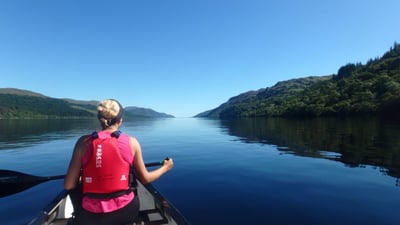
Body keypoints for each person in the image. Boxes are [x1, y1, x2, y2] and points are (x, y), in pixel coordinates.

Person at [64, 99, 173, 225]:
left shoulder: (83, 142)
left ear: (100, 119)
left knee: (76, 190)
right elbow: (145, 179)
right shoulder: (132, 142)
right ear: (120, 121)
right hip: (125, 211)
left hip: (91, 216)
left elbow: (68, 185)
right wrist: (166, 167)